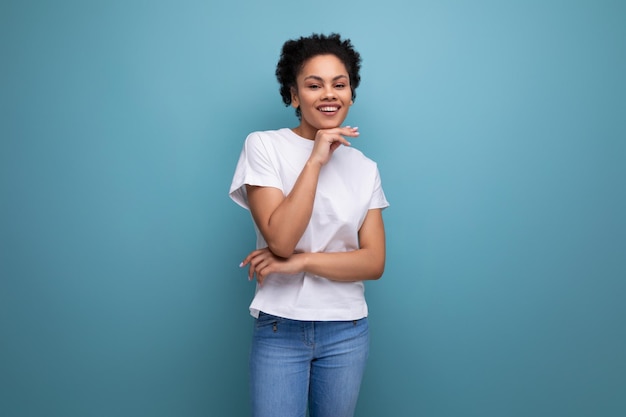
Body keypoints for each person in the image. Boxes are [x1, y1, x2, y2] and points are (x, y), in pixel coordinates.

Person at [229, 33, 389, 417]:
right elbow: (281, 240)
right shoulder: (263, 146)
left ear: (351, 93)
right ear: (295, 96)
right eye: (314, 85)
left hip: (347, 328)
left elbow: (373, 263)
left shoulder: (365, 168)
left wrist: (301, 263)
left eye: (339, 84)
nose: (329, 94)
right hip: (280, 328)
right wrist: (315, 158)